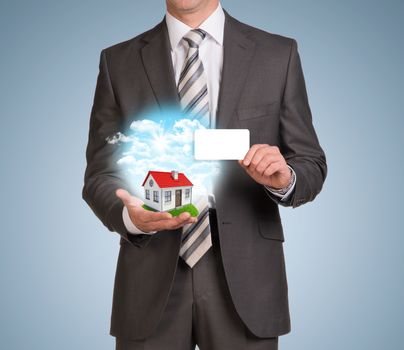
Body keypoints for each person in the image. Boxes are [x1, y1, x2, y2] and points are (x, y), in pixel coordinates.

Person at [82, 1, 327, 349]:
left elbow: (310, 163)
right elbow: (99, 174)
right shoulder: (117, 62)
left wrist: (285, 178)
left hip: (247, 281)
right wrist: (131, 218)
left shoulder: (278, 54)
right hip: (149, 279)